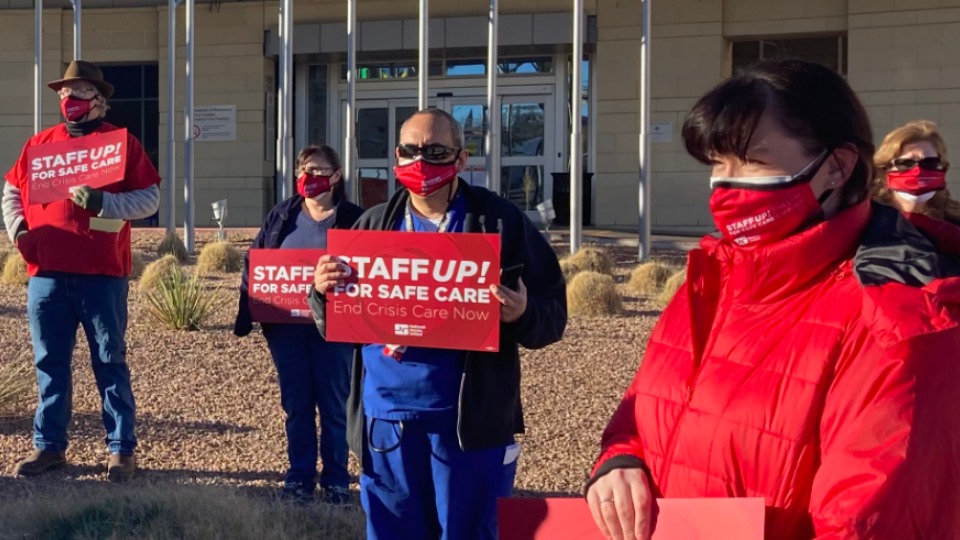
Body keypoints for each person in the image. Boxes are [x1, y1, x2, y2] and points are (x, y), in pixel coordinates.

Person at [585, 59, 960, 540]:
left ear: (836, 167)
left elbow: (864, 523)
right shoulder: (715, 276)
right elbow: (644, 409)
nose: (725, 183)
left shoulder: (896, 320)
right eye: (718, 163)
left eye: (753, 160)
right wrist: (621, 458)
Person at [308, 108, 566, 539]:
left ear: (461, 159)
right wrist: (320, 291)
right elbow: (335, 322)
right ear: (395, 156)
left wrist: (523, 313)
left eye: (435, 151)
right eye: (410, 151)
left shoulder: (501, 223)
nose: (420, 161)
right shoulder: (370, 227)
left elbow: (553, 315)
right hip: (386, 423)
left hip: (469, 426)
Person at [3, 60, 162, 482]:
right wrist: (19, 233)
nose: (70, 100)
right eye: (64, 94)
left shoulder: (121, 144)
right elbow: (11, 190)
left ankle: (121, 450)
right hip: (47, 274)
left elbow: (149, 199)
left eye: (79, 92)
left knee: (109, 360)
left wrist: (106, 204)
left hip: (101, 273)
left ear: (100, 101)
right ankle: (49, 447)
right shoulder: (40, 145)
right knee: (49, 362)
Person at [234, 144, 363, 504]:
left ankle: (336, 479)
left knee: (334, 405)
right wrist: (247, 312)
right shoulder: (282, 215)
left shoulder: (354, 217)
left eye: (320, 171)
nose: (311, 177)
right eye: (304, 170)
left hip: (335, 327)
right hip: (286, 328)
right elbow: (255, 263)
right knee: (297, 405)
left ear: (336, 177)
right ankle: (299, 477)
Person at [871, 120, 960, 256]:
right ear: (885, 170)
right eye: (906, 163)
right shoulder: (868, 220)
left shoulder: (954, 221)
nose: (918, 171)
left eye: (929, 162)